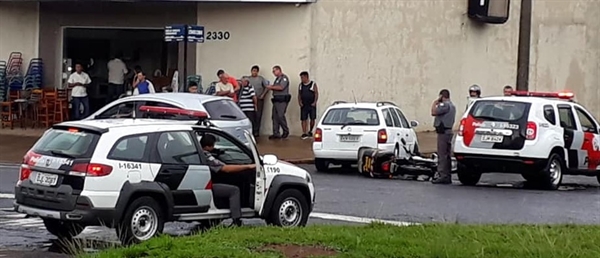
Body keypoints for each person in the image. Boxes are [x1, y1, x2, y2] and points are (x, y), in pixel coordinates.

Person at [200, 134, 256, 227]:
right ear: (208, 146)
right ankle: (236, 220)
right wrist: (248, 166)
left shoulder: (198, 152)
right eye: (213, 145)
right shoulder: (206, 156)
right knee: (234, 190)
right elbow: (226, 169)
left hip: (202, 184)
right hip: (206, 186)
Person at [431, 89, 456, 185]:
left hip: (443, 132)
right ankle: (447, 175)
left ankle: (442, 175)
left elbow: (433, 112)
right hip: (448, 131)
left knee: (442, 155)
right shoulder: (452, 105)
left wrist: (435, 102)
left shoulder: (445, 105)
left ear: (442, 96)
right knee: (447, 155)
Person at [266, 65, 291, 139]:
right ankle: (276, 133)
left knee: (280, 115)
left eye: (274, 71)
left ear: (279, 70)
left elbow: (281, 87)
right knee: (274, 117)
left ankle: (285, 131)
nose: (273, 72)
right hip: (276, 100)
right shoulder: (277, 79)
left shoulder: (284, 78)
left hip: (282, 100)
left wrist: (271, 87)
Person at [246, 65, 269, 136]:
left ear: (257, 72)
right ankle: (251, 130)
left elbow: (267, 87)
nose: (254, 72)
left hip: (259, 99)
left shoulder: (261, 79)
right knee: (250, 115)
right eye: (253, 71)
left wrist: (263, 95)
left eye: (255, 71)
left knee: (258, 115)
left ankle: (256, 131)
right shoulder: (248, 79)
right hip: (249, 100)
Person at [298, 71, 319, 139]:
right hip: (304, 104)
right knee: (303, 119)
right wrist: (300, 102)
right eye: (301, 78)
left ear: (307, 77)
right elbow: (299, 94)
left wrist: (315, 102)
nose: (301, 79)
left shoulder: (313, 84)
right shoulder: (300, 85)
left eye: (303, 77)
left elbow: (316, 93)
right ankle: (304, 132)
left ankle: (310, 130)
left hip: (311, 104)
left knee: (312, 118)